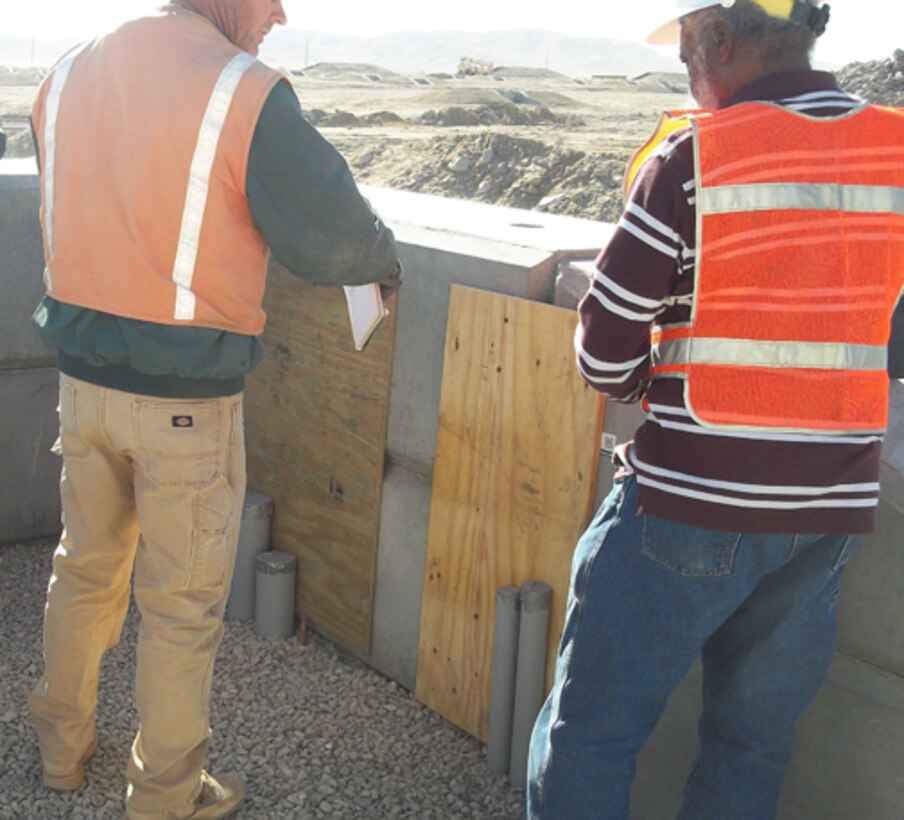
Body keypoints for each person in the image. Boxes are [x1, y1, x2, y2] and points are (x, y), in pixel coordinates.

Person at [526, 1, 904, 817]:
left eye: (688, 55)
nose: (691, 81)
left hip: (688, 506)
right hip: (828, 513)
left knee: (592, 730)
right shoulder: (897, 150)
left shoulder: (699, 157)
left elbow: (603, 350)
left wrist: (642, 386)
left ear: (720, 42)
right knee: (751, 741)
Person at [28, 1, 399, 817]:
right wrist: (381, 256)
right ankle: (162, 796)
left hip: (83, 387)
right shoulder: (242, 91)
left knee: (82, 570)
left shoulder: (71, 68)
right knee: (179, 608)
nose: (279, 14)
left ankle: (61, 750)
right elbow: (335, 239)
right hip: (185, 407)